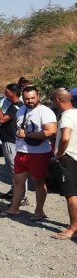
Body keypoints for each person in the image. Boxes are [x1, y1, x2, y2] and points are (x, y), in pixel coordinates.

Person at [0, 86, 57, 220]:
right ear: (22, 98)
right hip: (21, 152)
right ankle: (14, 209)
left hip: (39, 153)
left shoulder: (45, 112)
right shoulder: (20, 110)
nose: (30, 101)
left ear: (38, 96)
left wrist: (28, 134)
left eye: (33, 98)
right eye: (27, 99)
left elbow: (50, 132)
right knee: (18, 181)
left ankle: (39, 211)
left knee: (38, 183)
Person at [0, 83, 28, 204]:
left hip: (12, 141)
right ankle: (14, 191)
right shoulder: (14, 106)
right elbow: (4, 116)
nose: (5, 93)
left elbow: (2, 119)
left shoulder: (17, 107)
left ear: (13, 92)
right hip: (9, 140)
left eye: (7, 91)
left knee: (16, 169)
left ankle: (22, 196)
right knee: (13, 168)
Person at [51, 88, 77, 239]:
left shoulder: (66, 116)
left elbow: (65, 138)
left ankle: (73, 228)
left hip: (69, 158)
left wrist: (59, 153)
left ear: (57, 100)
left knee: (71, 194)